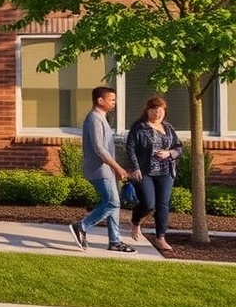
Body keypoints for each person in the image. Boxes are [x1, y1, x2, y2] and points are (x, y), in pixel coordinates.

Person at [68, 86, 135, 252]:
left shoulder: (101, 118)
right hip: (99, 169)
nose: (114, 103)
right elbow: (99, 149)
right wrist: (118, 168)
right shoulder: (94, 119)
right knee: (113, 202)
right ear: (100, 100)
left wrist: (115, 170)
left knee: (113, 204)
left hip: (107, 170)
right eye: (111, 99)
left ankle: (115, 241)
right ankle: (82, 226)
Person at [126, 96, 183, 252]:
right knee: (148, 204)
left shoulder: (169, 128)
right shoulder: (139, 127)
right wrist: (135, 168)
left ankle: (160, 238)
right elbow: (130, 149)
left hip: (166, 172)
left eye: (160, 111)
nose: (157, 114)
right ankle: (136, 219)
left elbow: (179, 147)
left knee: (163, 205)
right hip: (145, 172)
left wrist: (170, 153)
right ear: (147, 110)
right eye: (154, 110)